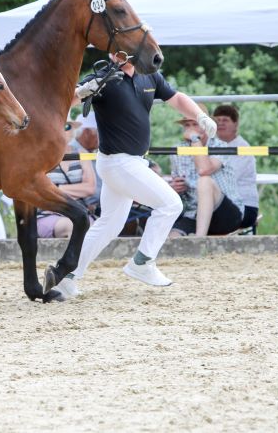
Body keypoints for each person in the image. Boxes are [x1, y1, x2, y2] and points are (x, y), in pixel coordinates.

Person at [54, 53, 217, 299]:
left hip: (129, 162)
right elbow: (65, 103)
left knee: (109, 224)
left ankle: (66, 276)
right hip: (119, 162)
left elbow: (176, 97)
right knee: (171, 204)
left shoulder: (148, 75)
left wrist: (200, 116)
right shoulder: (103, 77)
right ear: (112, 52)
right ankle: (142, 262)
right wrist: (83, 91)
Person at [168, 104, 244, 237]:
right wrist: (174, 189)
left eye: (195, 124)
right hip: (194, 212)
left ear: (206, 126)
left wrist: (194, 139)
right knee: (173, 238)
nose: (191, 128)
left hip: (226, 213)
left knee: (204, 181)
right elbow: (181, 198)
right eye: (187, 125)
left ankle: (199, 240)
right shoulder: (177, 150)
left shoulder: (220, 145)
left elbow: (204, 169)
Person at [37, 111, 96, 238]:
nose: (63, 130)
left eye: (67, 126)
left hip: (80, 212)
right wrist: (78, 190)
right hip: (48, 214)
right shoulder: (41, 155)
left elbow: (90, 188)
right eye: (58, 125)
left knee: (94, 229)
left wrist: (57, 189)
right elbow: (41, 190)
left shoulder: (81, 153)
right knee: (71, 226)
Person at [213, 104, 259, 229]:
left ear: (236, 124)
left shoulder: (243, 148)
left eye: (225, 120)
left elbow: (227, 181)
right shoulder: (212, 145)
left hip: (245, 206)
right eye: (217, 120)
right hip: (222, 204)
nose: (220, 123)